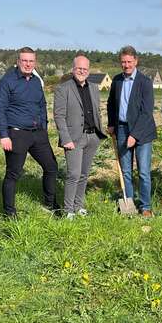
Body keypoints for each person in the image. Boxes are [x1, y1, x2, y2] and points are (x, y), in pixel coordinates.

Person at [0, 46, 59, 218]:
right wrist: (4, 135)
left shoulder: (37, 82)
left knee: (51, 167)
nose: (28, 64)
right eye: (24, 60)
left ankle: (50, 204)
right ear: (18, 61)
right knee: (13, 174)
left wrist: (44, 127)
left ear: (34, 62)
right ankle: (9, 213)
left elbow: (42, 105)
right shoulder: (6, 82)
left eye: (31, 61)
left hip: (38, 134)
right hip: (16, 134)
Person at [53, 53, 107, 219]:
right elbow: (59, 115)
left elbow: (96, 111)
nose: (81, 71)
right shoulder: (63, 88)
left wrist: (100, 132)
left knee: (84, 174)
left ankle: (79, 206)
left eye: (85, 69)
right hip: (74, 139)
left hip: (92, 137)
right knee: (73, 175)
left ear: (88, 71)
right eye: (78, 68)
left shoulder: (93, 88)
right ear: (73, 69)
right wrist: (66, 138)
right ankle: (68, 210)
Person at [107, 46, 157, 217]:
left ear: (136, 61)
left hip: (142, 131)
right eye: (123, 62)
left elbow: (147, 112)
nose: (126, 65)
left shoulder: (145, 82)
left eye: (129, 62)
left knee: (143, 171)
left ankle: (145, 207)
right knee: (125, 170)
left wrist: (134, 135)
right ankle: (128, 202)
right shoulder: (116, 81)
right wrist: (111, 123)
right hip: (121, 128)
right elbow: (110, 104)